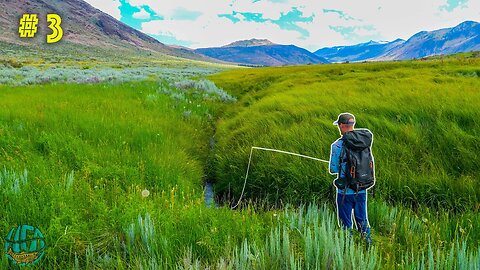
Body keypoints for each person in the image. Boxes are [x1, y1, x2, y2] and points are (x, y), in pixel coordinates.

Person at [329, 112, 373, 246]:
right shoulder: (363, 142)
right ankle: (368, 245)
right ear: (352, 125)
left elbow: (333, 169)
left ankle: (347, 248)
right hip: (361, 187)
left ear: (342, 126)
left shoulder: (336, 146)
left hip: (345, 192)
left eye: (339, 125)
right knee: (362, 219)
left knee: (345, 222)